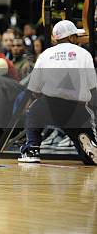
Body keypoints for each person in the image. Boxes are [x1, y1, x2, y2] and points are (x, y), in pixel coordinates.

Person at [19, 20, 97, 164]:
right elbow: (93, 86)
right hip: (76, 107)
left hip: (50, 104)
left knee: (33, 113)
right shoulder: (84, 54)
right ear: (71, 37)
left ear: (56, 38)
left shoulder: (45, 54)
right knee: (85, 147)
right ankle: (89, 148)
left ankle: (32, 150)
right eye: (76, 36)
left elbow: (34, 88)